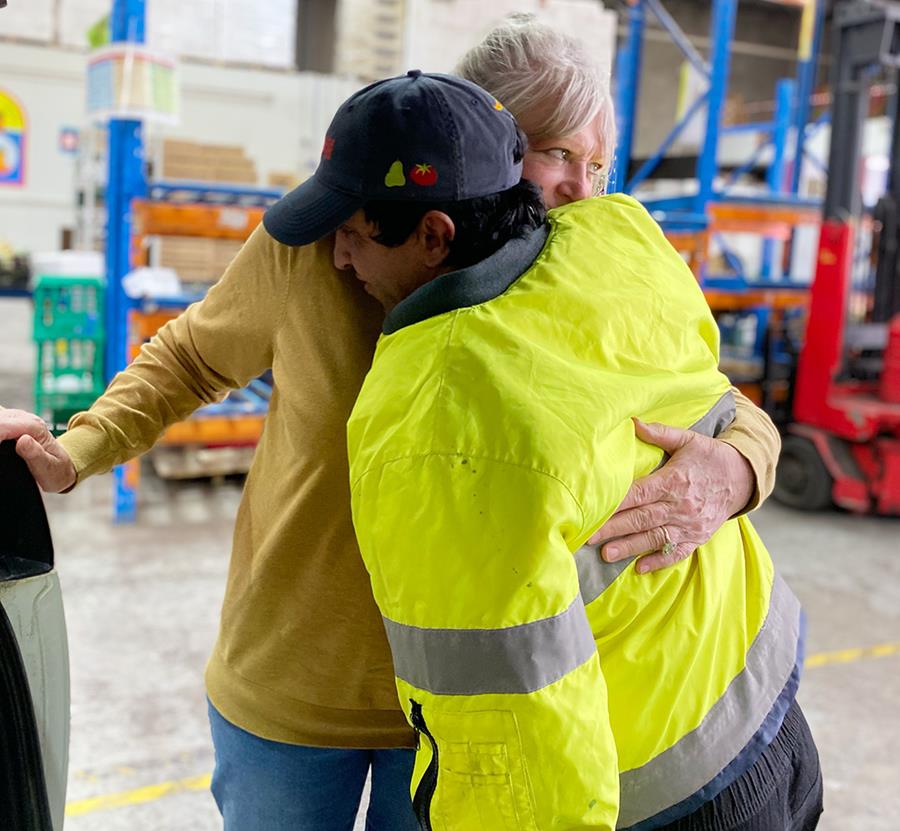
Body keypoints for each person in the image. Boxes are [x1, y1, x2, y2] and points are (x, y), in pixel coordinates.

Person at [0, 22, 780, 831]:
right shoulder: (332, 240)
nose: (584, 192)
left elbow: (705, 390)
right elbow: (192, 355)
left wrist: (738, 469)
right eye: (555, 155)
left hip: (458, 711)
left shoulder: (591, 265)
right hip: (293, 687)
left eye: (599, 164)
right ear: (485, 140)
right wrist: (79, 448)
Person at [264, 69, 820, 830]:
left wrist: (741, 461)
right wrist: (745, 455)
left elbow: (515, 728)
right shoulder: (621, 240)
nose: (336, 259)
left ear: (435, 235)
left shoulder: (430, 422)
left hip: (670, 789)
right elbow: (715, 394)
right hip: (775, 712)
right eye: (559, 155)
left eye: (353, 235)